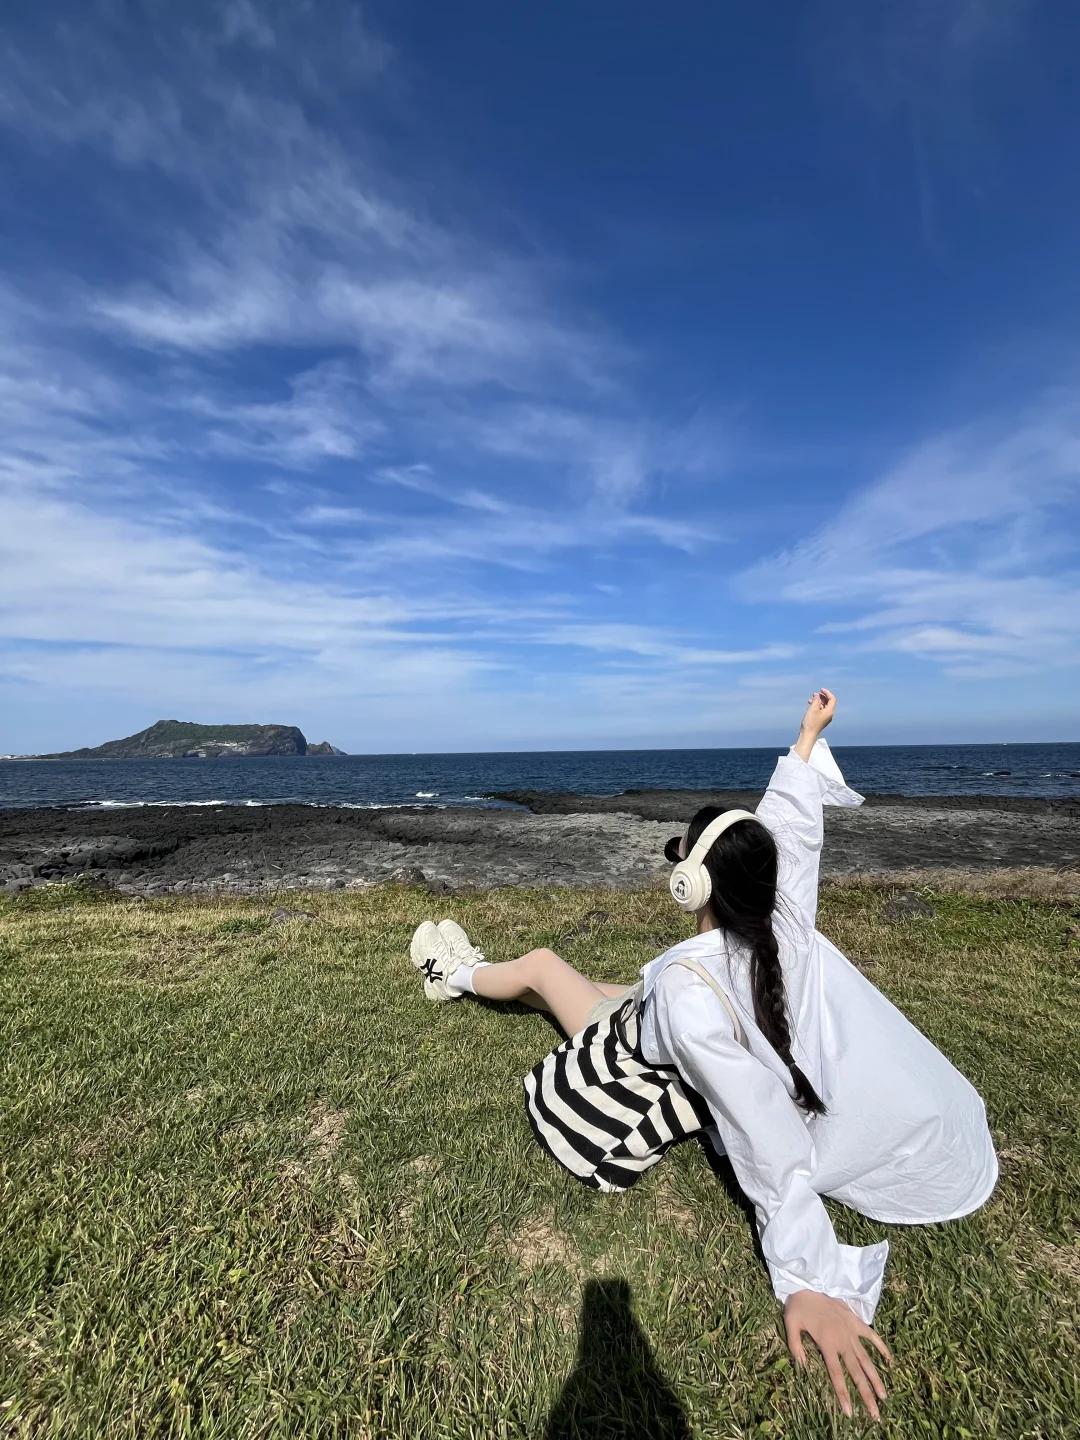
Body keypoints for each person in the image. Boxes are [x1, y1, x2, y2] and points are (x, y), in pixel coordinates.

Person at [408, 689, 998, 1421]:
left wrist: (808, 1277)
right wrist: (806, 740)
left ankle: (452, 976)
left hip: (643, 1037)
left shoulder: (689, 996)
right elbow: (790, 824)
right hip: (675, 1011)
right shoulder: (784, 913)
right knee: (585, 986)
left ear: (692, 881)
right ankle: (485, 977)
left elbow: (764, 1139)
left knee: (541, 964)